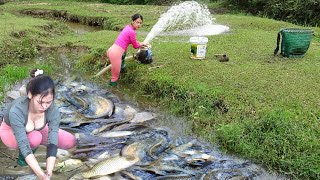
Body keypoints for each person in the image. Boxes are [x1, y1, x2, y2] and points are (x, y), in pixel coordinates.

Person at [0, 69, 76, 180]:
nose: (44, 107)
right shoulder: (16, 111)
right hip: (10, 131)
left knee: (70, 141)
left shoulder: (53, 109)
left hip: (38, 129)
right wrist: (40, 174)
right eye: (40, 102)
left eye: (48, 102)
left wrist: (49, 172)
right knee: (35, 138)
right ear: (30, 95)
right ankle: (22, 162)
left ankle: (37, 154)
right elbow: (24, 144)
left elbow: (52, 140)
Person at [105, 13, 148, 87]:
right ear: (133, 21)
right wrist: (141, 44)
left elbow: (131, 41)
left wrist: (140, 43)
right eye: (137, 22)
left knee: (123, 55)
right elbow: (135, 46)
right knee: (114, 77)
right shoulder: (132, 32)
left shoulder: (127, 27)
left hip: (111, 50)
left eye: (140, 23)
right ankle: (110, 93)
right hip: (115, 54)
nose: (139, 24)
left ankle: (122, 68)